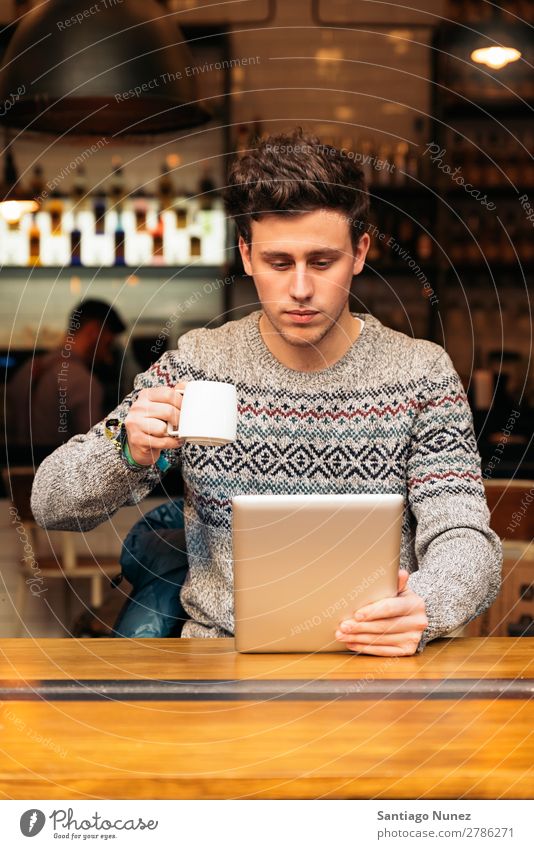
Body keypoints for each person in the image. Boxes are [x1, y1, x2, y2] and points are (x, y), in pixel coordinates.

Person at [31, 128, 502, 655]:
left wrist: (428, 604)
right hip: (217, 664)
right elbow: (52, 503)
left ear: (361, 252)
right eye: (280, 263)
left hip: (375, 666)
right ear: (247, 255)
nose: (301, 288)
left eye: (322, 262)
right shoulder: (199, 364)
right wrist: (128, 450)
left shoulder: (421, 374)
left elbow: (465, 537)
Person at [6, 299, 125, 448]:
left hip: (17, 466)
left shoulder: (26, 370)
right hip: (61, 469)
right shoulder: (83, 381)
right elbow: (96, 448)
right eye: (108, 344)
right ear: (94, 332)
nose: (108, 357)